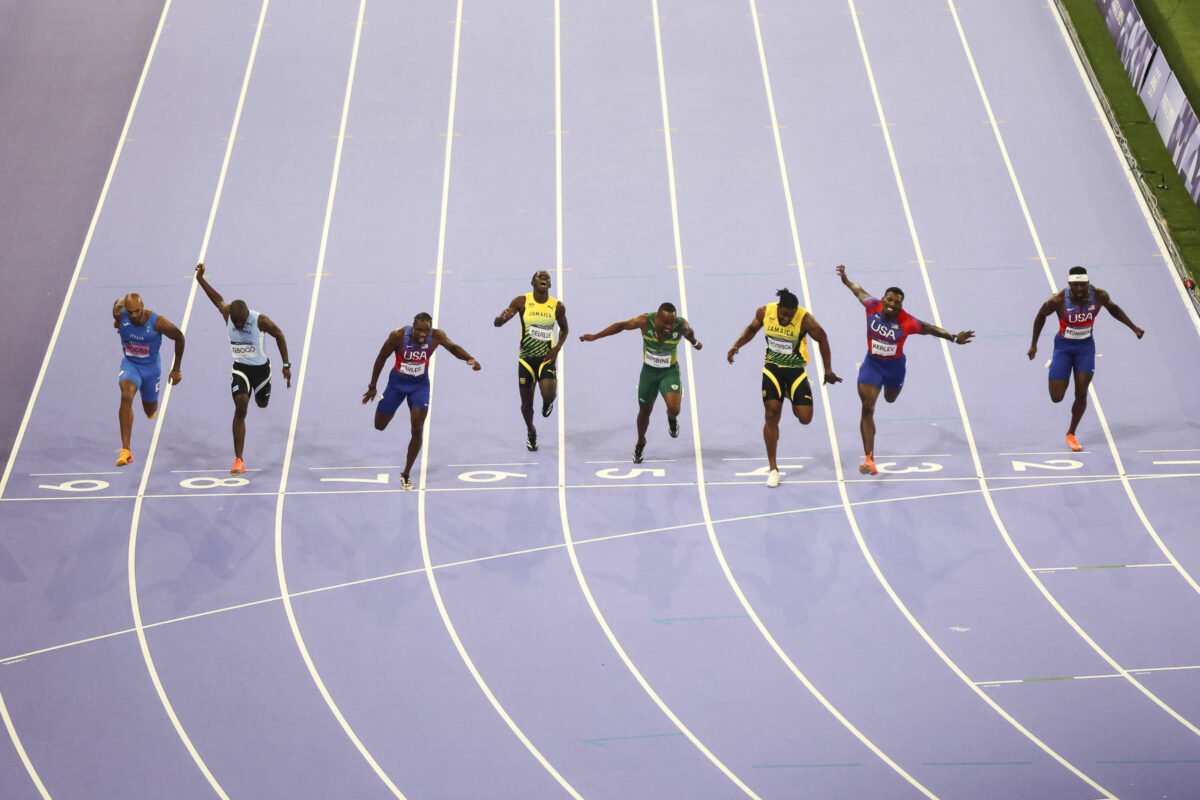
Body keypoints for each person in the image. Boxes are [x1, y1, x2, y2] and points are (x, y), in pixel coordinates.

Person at [837, 264, 974, 476]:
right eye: (889, 300)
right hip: (872, 365)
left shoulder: (907, 322)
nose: (892, 304)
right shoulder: (872, 306)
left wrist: (954, 337)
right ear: (883, 300)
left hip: (895, 368)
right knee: (868, 406)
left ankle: (895, 380)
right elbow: (859, 290)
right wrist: (846, 279)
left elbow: (930, 329)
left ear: (901, 306)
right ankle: (869, 459)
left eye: (897, 302)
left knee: (890, 399)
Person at [727, 288, 841, 487]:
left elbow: (822, 337)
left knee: (805, 418)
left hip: (795, 372)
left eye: (790, 315)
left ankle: (788, 394)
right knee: (771, 415)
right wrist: (737, 345)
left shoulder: (805, 320)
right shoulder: (765, 312)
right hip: (772, 370)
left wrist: (828, 369)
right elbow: (752, 329)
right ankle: (773, 469)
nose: (786, 319)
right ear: (778, 308)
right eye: (784, 314)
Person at [1028, 265, 1144, 452]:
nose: (1080, 289)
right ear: (1069, 285)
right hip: (1064, 348)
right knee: (1057, 397)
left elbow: (1114, 309)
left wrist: (1134, 327)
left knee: (1081, 392)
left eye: (1083, 285)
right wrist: (1034, 344)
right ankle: (1058, 368)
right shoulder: (1058, 300)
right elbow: (1041, 316)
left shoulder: (1099, 296)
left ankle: (1071, 433)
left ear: (1088, 283)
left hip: (1085, 348)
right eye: (1076, 286)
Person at [363, 313, 480, 490]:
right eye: (419, 330)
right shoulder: (398, 336)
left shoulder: (437, 336)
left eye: (426, 331)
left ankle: (406, 474)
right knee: (379, 425)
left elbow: (453, 348)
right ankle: (387, 409)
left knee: (417, 428)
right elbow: (381, 357)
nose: (423, 334)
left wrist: (469, 358)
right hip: (396, 385)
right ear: (413, 327)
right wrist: (373, 386)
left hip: (419, 387)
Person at [194, 263, 292, 475]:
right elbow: (217, 299)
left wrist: (286, 365)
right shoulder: (228, 313)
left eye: (240, 322)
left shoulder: (260, 321)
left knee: (262, 403)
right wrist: (200, 279)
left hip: (261, 371)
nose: (237, 325)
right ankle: (238, 459)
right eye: (235, 322)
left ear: (247, 316)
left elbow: (280, 335)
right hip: (241, 369)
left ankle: (261, 395)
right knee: (241, 406)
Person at [579, 302, 701, 464]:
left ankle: (671, 419)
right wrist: (595, 336)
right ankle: (641, 441)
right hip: (649, 373)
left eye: (671, 323)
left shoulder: (680, 324)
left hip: (669, 371)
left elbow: (689, 332)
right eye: (665, 322)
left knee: (674, 409)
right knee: (644, 411)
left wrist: (693, 341)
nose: (668, 326)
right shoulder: (644, 321)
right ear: (657, 317)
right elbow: (621, 326)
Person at [493, 270, 569, 452]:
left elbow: (565, 329)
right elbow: (499, 322)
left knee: (549, 394)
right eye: (540, 277)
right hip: (526, 359)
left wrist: (557, 348)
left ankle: (547, 404)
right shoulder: (522, 301)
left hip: (545, 358)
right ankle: (531, 431)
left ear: (549, 285)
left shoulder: (557, 306)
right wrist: (500, 319)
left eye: (547, 278)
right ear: (532, 282)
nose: (544, 279)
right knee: (527, 406)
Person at [112, 292, 185, 467]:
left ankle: (151, 406)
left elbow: (179, 337)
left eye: (137, 311)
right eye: (130, 312)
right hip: (130, 365)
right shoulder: (119, 314)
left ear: (143, 305)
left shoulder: (158, 322)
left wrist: (176, 369)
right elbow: (116, 308)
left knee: (150, 409)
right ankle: (126, 451)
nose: (134, 315)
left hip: (151, 370)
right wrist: (118, 321)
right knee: (126, 395)